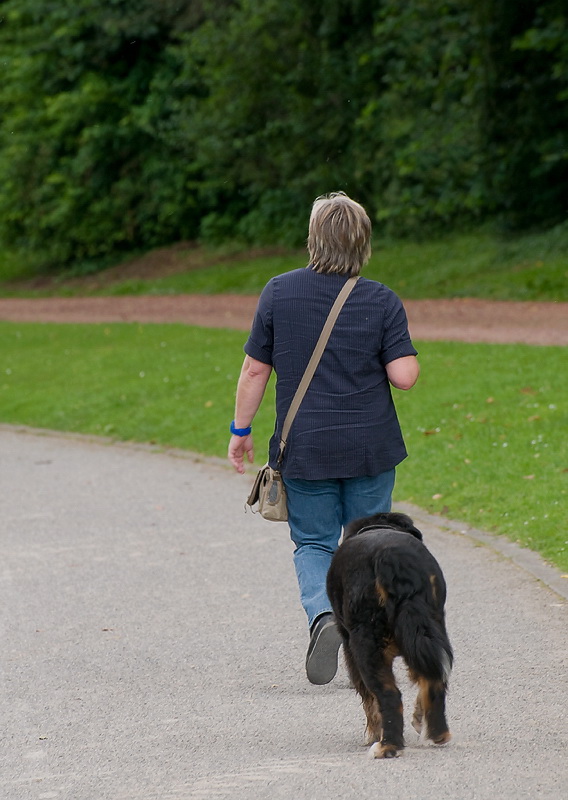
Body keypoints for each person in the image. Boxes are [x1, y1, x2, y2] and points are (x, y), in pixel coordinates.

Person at [228, 191, 419, 685]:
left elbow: (254, 371)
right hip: (369, 449)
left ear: (314, 239)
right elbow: (404, 377)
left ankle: (324, 616)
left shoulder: (279, 292)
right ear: (363, 243)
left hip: (306, 448)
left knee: (313, 542)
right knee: (368, 541)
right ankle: (368, 642)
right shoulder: (382, 299)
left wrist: (241, 431)